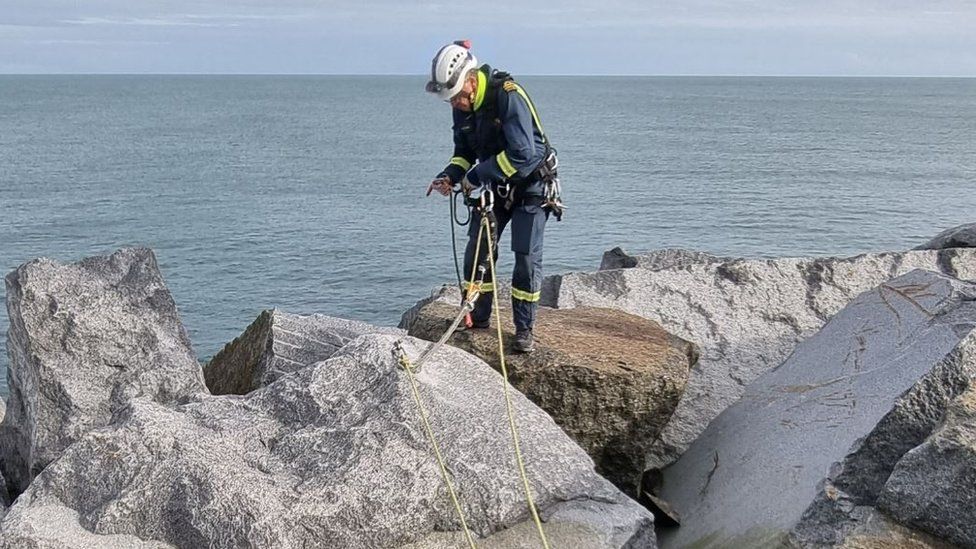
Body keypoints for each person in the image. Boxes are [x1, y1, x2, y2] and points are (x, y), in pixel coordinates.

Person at [425, 40, 554, 353]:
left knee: (525, 257)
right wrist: (451, 175)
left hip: (531, 188)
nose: (455, 104)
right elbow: (465, 152)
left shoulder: (509, 97)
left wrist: (476, 176)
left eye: (457, 97)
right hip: (495, 188)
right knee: (478, 253)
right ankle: (477, 316)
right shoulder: (463, 107)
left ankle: (524, 329)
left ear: (471, 80)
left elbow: (523, 156)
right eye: (450, 101)